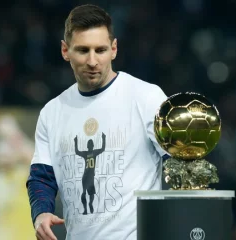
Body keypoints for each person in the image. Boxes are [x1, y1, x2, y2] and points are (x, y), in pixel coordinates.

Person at [26, 4, 168, 240]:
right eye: (83, 50)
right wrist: (41, 213)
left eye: (100, 50)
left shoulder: (146, 98)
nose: (92, 61)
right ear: (65, 50)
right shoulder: (52, 112)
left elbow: (181, 163)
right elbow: (42, 176)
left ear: (114, 49)